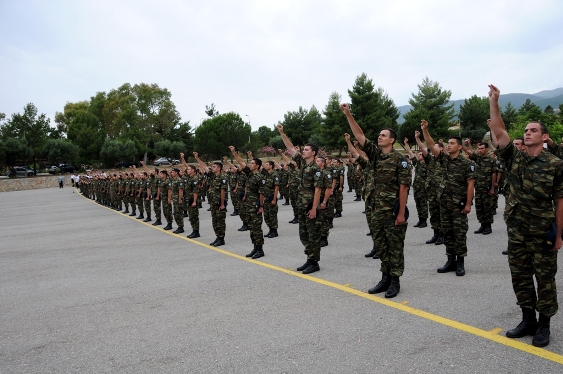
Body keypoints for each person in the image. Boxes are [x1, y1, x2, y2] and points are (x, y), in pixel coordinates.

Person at [489, 84, 563, 347]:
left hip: (542, 231)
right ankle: (527, 319)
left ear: (544, 137)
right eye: (526, 130)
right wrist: (494, 102)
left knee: (545, 279)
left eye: (533, 130)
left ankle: (544, 325)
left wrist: (559, 234)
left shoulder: (555, 164)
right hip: (517, 231)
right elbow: (498, 131)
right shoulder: (514, 159)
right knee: (519, 276)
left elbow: (560, 200)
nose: (527, 133)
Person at [341, 103, 410, 298]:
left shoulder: (400, 160)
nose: (379, 137)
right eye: (379, 135)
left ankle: (395, 281)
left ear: (392, 140)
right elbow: (359, 135)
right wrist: (348, 114)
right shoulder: (375, 155)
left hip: (392, 210)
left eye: (383, 135)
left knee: (394, 246)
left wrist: (400, 212)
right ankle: (385, 278)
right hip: (375, 209)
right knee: (380, 245)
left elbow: (404, 187)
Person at [421, 120, 475, 276]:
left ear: (459, 146)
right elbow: (431, 145)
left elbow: (470, 185)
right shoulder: (443, 159)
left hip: (459, 205)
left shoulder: (467, 163)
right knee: (448, 233)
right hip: (444, 204)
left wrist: (468, 204)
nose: (448, 145)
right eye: (447, 143)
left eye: (452, 143)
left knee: (459, 233)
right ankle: (450, 260)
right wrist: (425, 130)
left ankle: (460, 263)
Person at [277, 124, 323, 274]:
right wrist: (282, 133)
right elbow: (290, 148)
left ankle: (314, 262)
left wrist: (314, 208)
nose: (303, 151)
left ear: (314, 153)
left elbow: (318, 190)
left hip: (310, 206)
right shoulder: (303, 163)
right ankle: (309, 259)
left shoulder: (316, 169)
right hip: (302, 206)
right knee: (304, 235)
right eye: (303, 150)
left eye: (306, 150)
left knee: (313, 235)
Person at [230, 146, 266, 258]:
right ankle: (255, 248)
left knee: (257, 228)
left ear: (257, 166)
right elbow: (240, 162)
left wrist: (261, 206)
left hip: (255, 206)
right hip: (248, 206)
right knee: (251, 228)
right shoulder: (250, 174)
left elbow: (262, 193)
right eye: (250, 163)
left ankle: (260, 250)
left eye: (252, 163)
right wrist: (234, 152)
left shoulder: (260, 177)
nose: (250, 164)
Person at [194, 152, 228, 246]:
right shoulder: (213, 176)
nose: (212, 168)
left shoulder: (223, 177)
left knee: (220, 221)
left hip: (219, 202)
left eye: (214, 167)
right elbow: (204, 166)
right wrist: (197, 158)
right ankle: (217, 237)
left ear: (219, 168)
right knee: (215, 220)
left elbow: (223, 191)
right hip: (213, 202)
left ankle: (221, 238)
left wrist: (222, 203)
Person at [464, 141, 498, 235]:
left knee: (487, 207)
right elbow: (469, 151)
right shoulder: (477, 158)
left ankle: (488, 226)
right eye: (478, 148)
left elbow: (494, 173)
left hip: (487, 187)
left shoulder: (492, 160)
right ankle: (482, 225)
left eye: (482, 148)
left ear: (487, 149)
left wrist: (492, 188)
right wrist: (463, 145)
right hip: (478, 187)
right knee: (479, 207)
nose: (479, 150)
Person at [405, 134, 428, 228]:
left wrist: (418, 138)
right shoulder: (417, 164)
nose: (418, 155)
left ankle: (424, 220)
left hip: (423, 187)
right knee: (418, 203)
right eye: (418, 154)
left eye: (420, 154)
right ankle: (420, 219)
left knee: (423, 204)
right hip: (417, 187)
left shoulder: (427, 164)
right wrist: (406, 143)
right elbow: (410, 152)